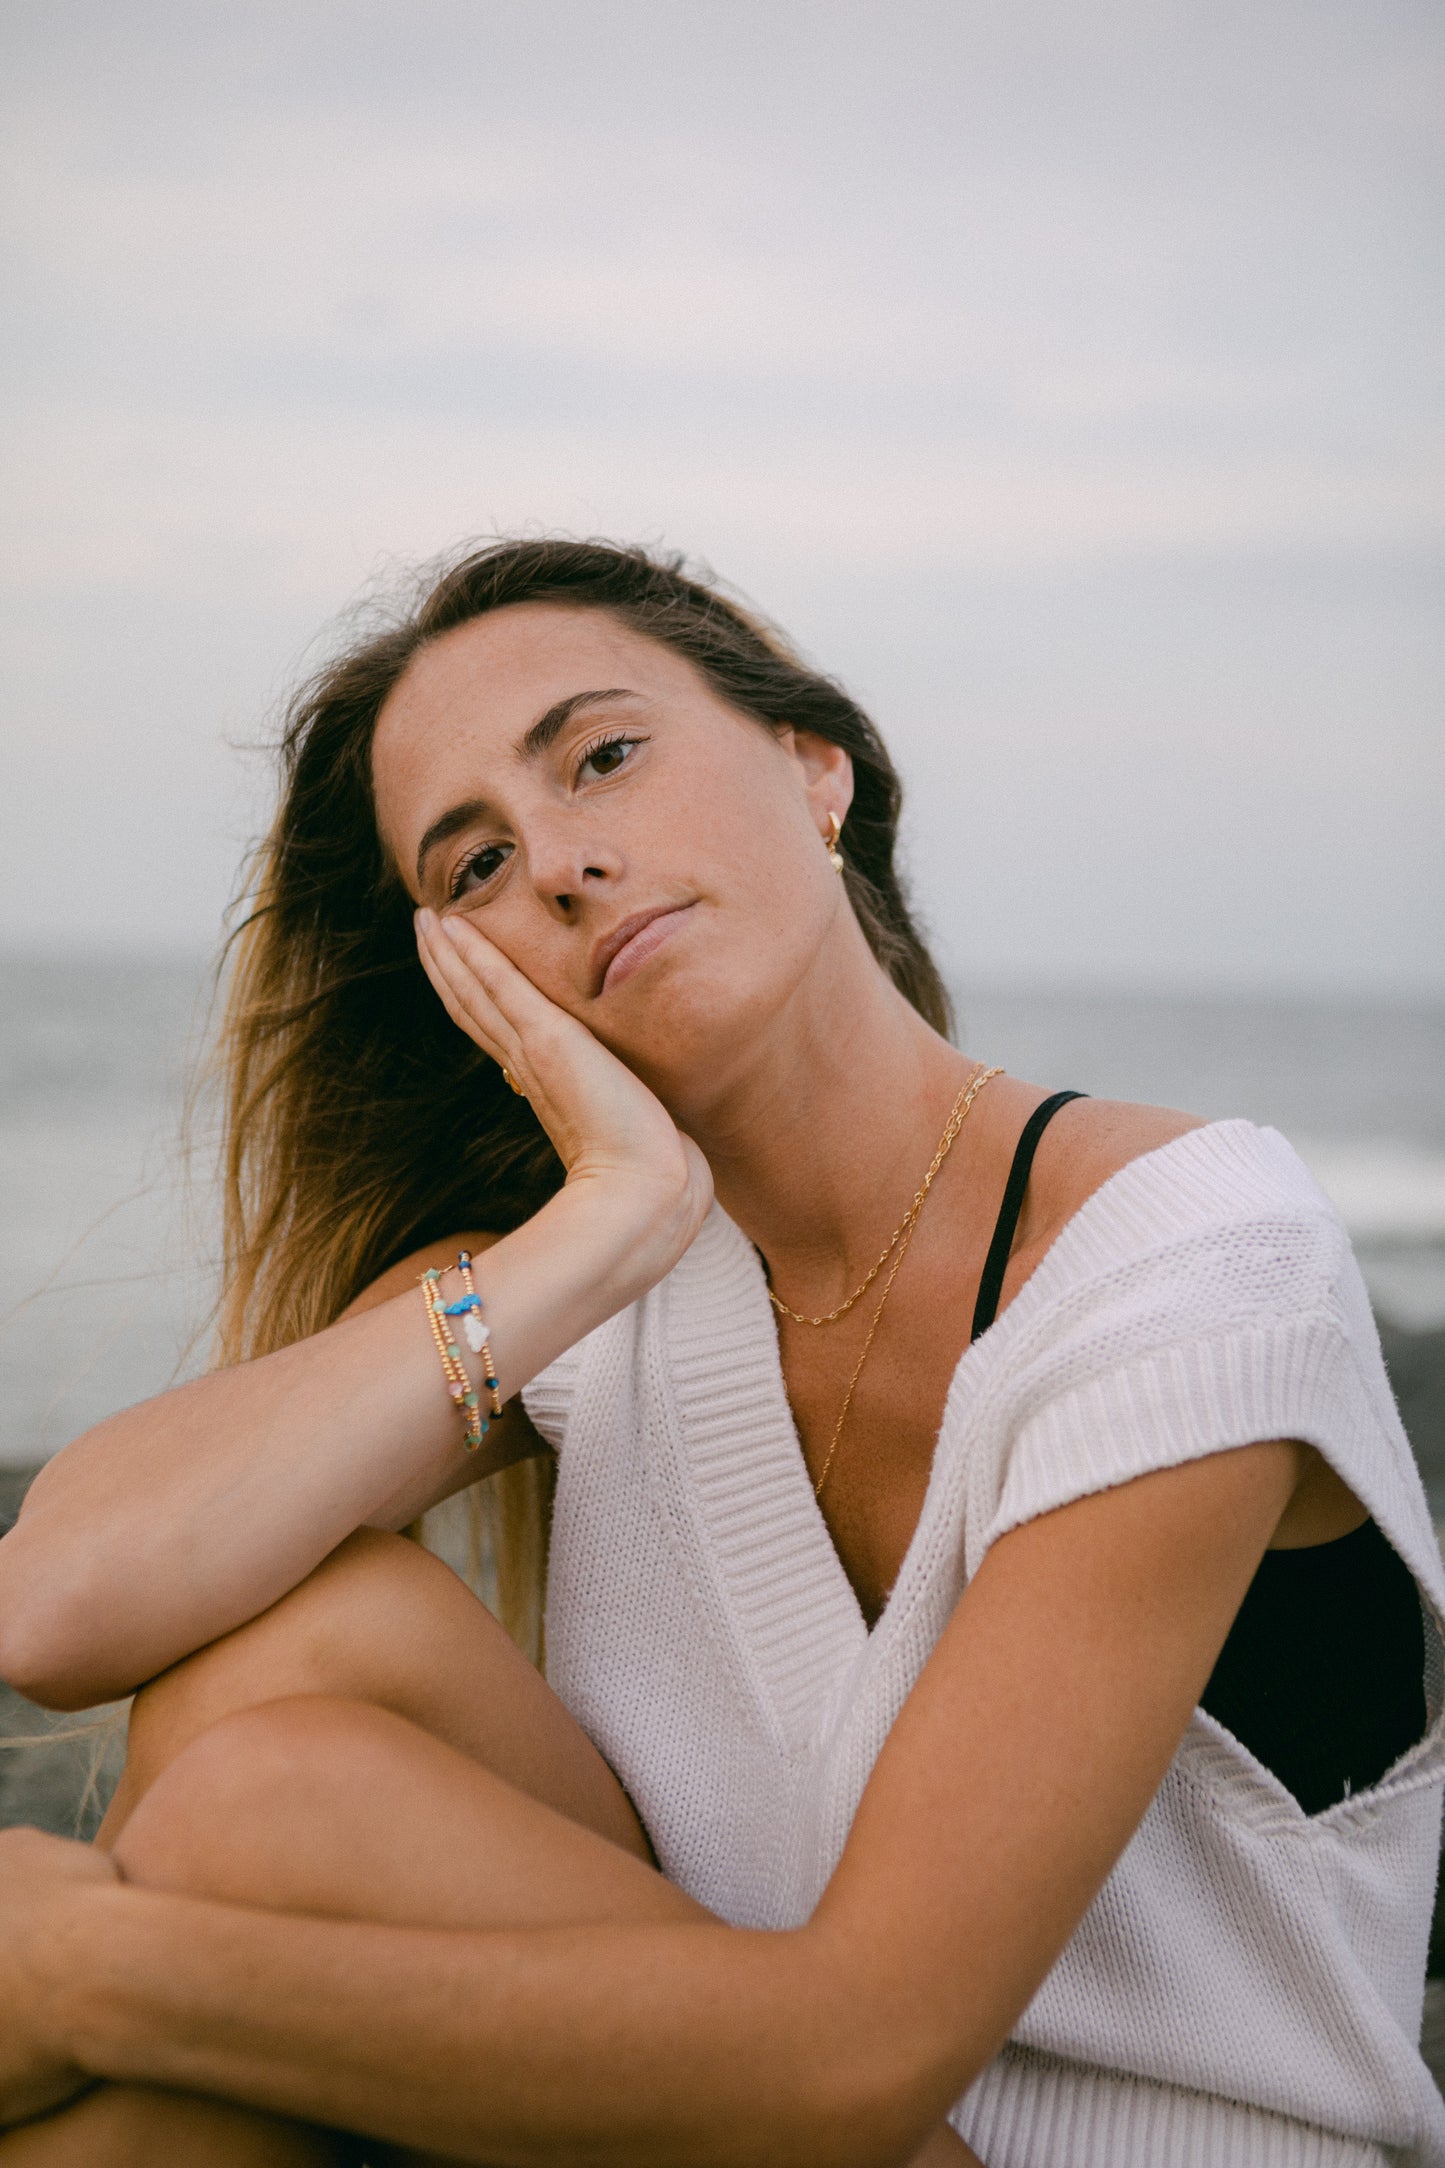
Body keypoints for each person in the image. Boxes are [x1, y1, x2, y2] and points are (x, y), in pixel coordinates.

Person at [0, 539, 1438, 2167]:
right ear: (468, 978)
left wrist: (83, 1972)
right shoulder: (590, 1277)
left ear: (812, 770)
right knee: (287, 1658)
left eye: (603, 757)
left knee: (239, 1852)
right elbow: (57, 1603)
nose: (555, 865)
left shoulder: (1187, 1252)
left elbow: (855, 2062)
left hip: (905, 2111)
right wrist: (608, 1218)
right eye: (471, 869)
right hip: (705, 2110)